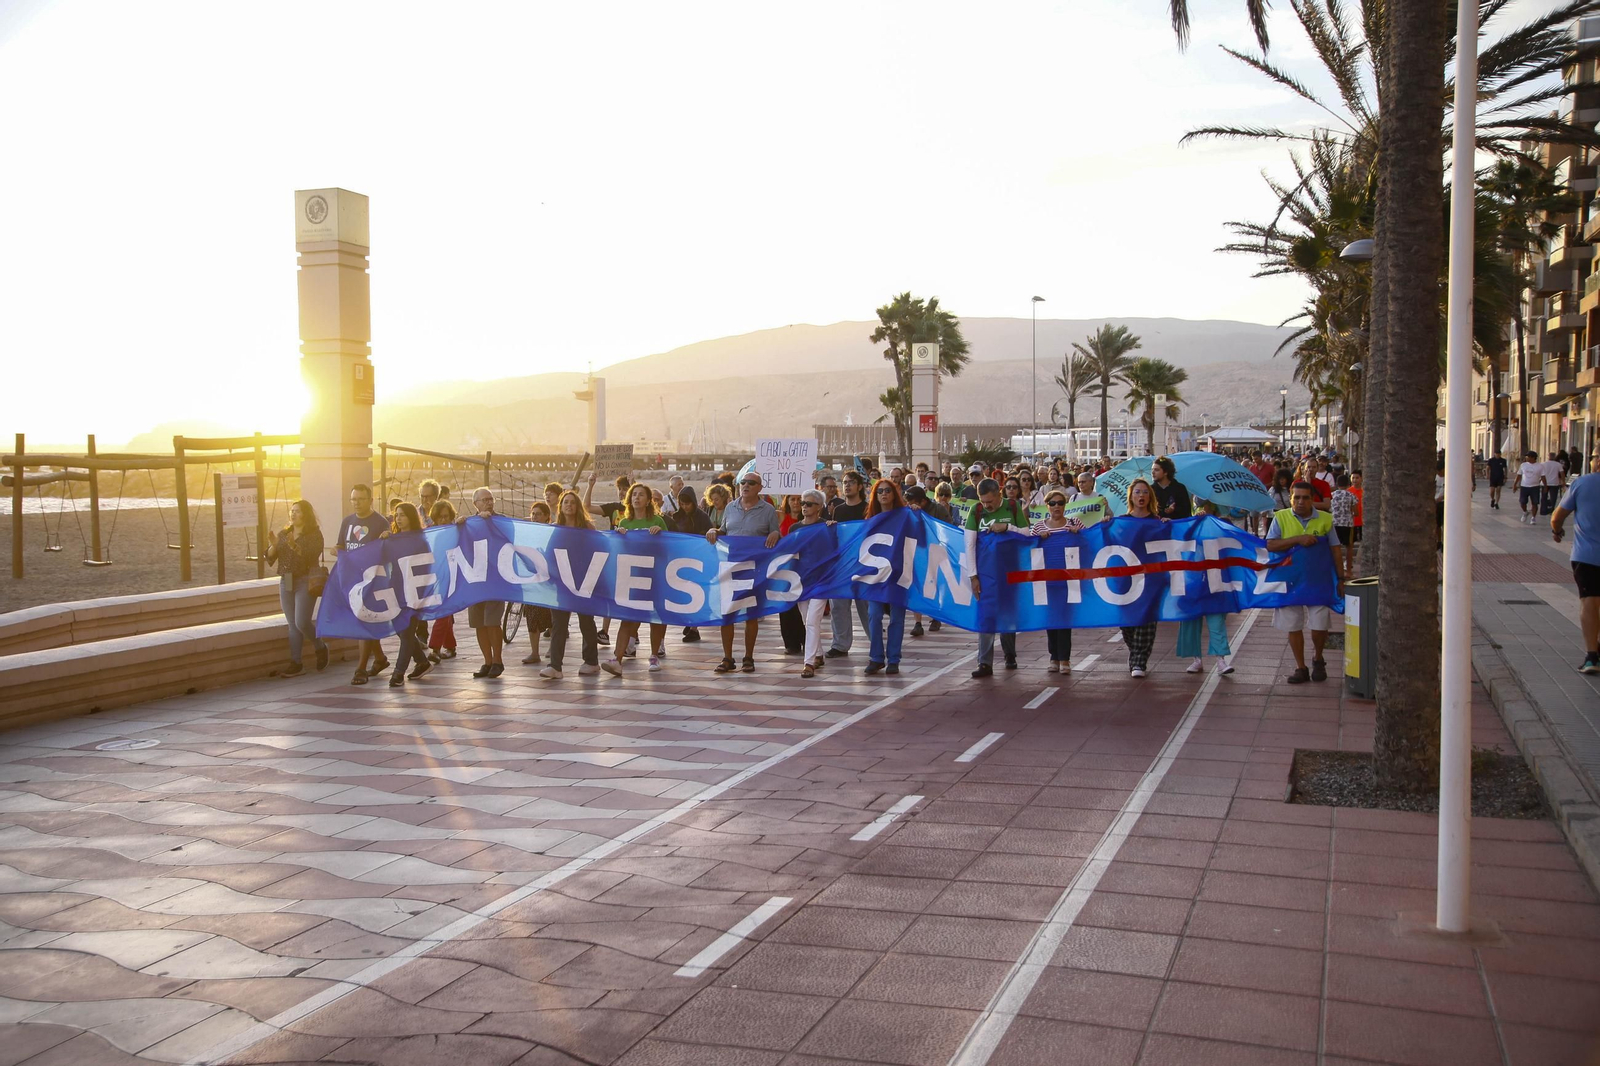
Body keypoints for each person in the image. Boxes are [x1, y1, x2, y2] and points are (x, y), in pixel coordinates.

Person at [1266, 481, 1345, 684]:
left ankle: (1318, 658)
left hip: (1319, 581)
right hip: (1290, 581)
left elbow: (1336, 550)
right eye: (1297, 497)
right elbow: (1271, 545)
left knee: (1320, 624)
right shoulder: (1280, 517)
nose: (1301, 501)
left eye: (1305, 498)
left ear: (1312, 500)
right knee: (1293, 625)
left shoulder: (1326, 519)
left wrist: (1341, 578)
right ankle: (1301, 667)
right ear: (1291, 498)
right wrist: (1298, 539)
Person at [706, 471, 783, 673]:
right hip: (730, 567)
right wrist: (714, 531)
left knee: (751, 614)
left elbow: (775, 532)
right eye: (742, 482)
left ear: (760, 488)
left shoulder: (768, 510)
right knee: (727, 613)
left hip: (754, 568)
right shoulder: (730, 507)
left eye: (750, 483)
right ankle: (727, 658)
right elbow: (724, 531)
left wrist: (775, 533)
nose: (745, 485)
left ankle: (748, 657)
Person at [602, 483, 670, 676]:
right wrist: (618, 537)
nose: (637, 498)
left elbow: (669, 548)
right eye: (634, 495)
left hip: (654, 575)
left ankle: (654, 656)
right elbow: (618, 552)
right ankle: (617, 659)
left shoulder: (657, 521)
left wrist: (660, 534)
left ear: (648, 501)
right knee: (627, 618)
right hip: (632, 577)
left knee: (655, 617)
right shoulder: (624, 523)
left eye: (641, 495)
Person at [968, 478, 1028, 678]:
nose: (987, 505)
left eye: (990, 501)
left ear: (999, 495)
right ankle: (984, 662)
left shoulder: (1012, 507)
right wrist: (973, 576)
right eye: (983, 501)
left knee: (1008, 613)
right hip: (986, 572)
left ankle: (1009, 653)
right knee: (986, 615)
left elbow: (1027, 534)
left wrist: (1007, 527)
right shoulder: (976, 511)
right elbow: (969, 544)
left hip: (1009, 570)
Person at [541, 491, 602, 680]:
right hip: (562, 583)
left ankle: (591, 662)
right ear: (561, 506)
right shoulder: (556, 528)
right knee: (558, 624)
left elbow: (599, 549)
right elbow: (549, 554)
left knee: (586, 622)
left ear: (578, 507)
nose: (569, 505)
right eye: (565, 502)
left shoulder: (588, 528)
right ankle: (555, 666)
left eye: (572, 502)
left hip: (584, 582)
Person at [264, 498, 327, 678]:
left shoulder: (314, 534)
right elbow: (270, 557)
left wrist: (294, 546)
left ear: (305, 514)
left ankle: (320, 646)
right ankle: (296, 663)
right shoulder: (285, 533)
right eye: (292, 511)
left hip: (305, 580)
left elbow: (311, 555)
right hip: (287, 580)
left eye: (297, 511)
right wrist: (274, 545)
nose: (293, 514)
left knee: (301, 622)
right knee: (292, 624)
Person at [336, 483, 391, 685]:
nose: (357, 503)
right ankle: (380, 658)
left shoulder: (380, 522)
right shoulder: (347, 521)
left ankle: (360, 668)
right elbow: (342, 545)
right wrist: (337, 551)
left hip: (373, 580)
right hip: (353, 580)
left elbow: (387, 551)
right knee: (365, 621)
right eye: (354, 499)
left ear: (370, 500)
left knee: (364, 621)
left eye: (361, 499)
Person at [1552, 452, 1600, 673]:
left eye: (1594, 455)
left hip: (1587, 556)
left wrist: (1557, 531)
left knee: (1589, 601)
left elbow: (1557, 517)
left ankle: (1592, 657)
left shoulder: (1582, 483)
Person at [1176, 499, 1235, 675]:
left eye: (1208, 505)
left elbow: (1234, 542)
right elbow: (1183, 539)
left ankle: (1221, 660)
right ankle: (1196, 659)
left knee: (1217, 622)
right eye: (1202, 505)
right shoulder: (1194, 526)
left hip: (1216, 584)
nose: (1205, 508)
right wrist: (1196, 522)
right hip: (1193, 585)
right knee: (1191, 622)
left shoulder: (1223, 524)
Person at [380, 503, 432, 687]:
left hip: (414, 591)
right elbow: (382, 559)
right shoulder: (393, 540)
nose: (398, 518)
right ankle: (422, 662)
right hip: (396, 589)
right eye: (397, 515)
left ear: (411, 517)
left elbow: (427, 565)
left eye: (402, 515)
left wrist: (422, 591)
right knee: (400, 630)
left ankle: (398, 673)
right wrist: (383, 540)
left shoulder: (421, 540)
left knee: (407, 630)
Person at [862, 479, 910, 674]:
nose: (884, 494)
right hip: (876, 576)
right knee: (874, 615)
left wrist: (915, 513)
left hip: (899, 574)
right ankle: (876, 657)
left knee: (897, 618)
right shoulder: (870, 520)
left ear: (894, 494)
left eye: (888, 490)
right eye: (880, 491)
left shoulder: (905, 517)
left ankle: (894, 659)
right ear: (875, 495)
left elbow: (919, 538)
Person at [1032, 488, 1081, 674]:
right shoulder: (1039, 527)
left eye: (1060, 503)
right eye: (1052, 503)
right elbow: (1027, 546)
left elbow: (1090, 541)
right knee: (1051, 618)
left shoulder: (1074, 523)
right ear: (1047, 506)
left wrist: (1078, 534)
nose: (1056, 506)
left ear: (1065, 505)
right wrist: (1038, 539)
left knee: (1064, 619)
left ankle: (1065, 659)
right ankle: (1054, 656)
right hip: (1046, 581)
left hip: (1068, 580)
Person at [1118, 479, 1163, 678]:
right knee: (1127, 622)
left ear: (1150, 497)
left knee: (1147, 619)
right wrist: (1106, 525)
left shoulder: (1157, 522)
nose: (1141, 495)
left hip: (1151, 578)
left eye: (1145, 492)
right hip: (1126, 579)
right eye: (1137, 492)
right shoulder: (1121, 522)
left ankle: (1139, 661)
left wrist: (1167, 526)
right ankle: (1135, 651)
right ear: (1131, 496)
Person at [460, 487, 506, 679]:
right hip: (476, 579)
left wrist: (489, 523)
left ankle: (497, 660)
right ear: (475, 504)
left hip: (495, 579)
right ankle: (487, 661)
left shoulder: (501, 521)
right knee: (478, 622)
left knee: (492, 621)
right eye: (484, 500)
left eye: (491, 499)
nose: (488, 503)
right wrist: (459, 525)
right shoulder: (470, 524)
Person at [826, 471, 872, 657]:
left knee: (867, 606)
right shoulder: (839, 509)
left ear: (860, 486)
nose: (847, 485)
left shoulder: (869, 509)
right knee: (838, 605)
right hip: (842, 565)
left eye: (851, 482)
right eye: (844, 482)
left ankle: (876, 641)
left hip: (864, 564)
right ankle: (840, 645)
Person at [794, 489, 832, 678]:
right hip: (801, 581)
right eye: (803, 503)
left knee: (812, 620)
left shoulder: (827, 527)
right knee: (806, 620)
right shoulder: (795, 528)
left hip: (821, 580)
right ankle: (818, 654)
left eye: (809, 504)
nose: (804, 507)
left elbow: (835, 551)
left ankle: (808, 663)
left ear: (819, 507)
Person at [670, 485, 710, 643]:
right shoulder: (677, 516)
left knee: (697, 593)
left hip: (698, 560)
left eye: (687, 504)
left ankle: (694, 628)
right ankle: (689, 621)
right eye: (682, 504)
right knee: (683, 593)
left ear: (693, 502)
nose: (685, 507)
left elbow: (709, 534)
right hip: (681, 559)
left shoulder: (702, 517)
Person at [519, 500, 554, 666]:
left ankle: (553, 647)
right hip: (532, 579)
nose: (535, 517)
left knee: (552, 615)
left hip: (550, 579)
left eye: (538, 514)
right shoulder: (527, 532)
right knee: (532, 616)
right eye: (533, 514)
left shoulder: (553, 532)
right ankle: (534, 652)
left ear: (547, 516)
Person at [425, 500, 459, 662]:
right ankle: (450, 646)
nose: (444, 520)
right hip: (436, 576)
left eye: (446, 516)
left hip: (454, 577)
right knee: (446, 612)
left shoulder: (457, 530)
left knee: (443, 611)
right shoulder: (431, 533)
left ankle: (435, 647)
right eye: (440, 517)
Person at [1149, 456, 1193, 521]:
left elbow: (1186, 512)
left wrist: (1173, 511)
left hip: (1175, 525)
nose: (1153, 472)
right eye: (1152, 469)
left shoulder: (1179, 488)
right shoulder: (1150, 490)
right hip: (1156, 525)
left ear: (1165, 472)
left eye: (1156, 470)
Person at [1330, 473, 1357, 577]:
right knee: (1349, 548)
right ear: (1348, 484)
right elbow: (1356, 512)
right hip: (1347, 524)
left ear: (1337, 484)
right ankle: (1348, 571)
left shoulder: (1332, 495)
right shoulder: (1351, 496)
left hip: (1334, 524)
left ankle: (1336, 571)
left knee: (1335, 547)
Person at [1517, 451, 1545, 525]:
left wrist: (1545, 486)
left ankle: (1533, 517)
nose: (1526, 458)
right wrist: (1515, 484)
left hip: (1535, 487)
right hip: (1524, 486)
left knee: (1535, 503)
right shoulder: (1523, 465)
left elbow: (1543, 476)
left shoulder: (1540, 466)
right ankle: (1525, 512)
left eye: (1528, 457)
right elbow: (1519, 475)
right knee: (1522, 502)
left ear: (1533, 457)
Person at [1543, 451, 1567, 516]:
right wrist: (1563, 481)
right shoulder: (1558, 464)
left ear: (1548, 456)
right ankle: (1552, 509)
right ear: (1555, 457)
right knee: (1553, 497)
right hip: (1554, 482)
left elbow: (1541, 473)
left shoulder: (1543, 464)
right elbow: (1562, 473)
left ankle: (1544, 509)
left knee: (1544, 496)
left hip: (1545, 483)